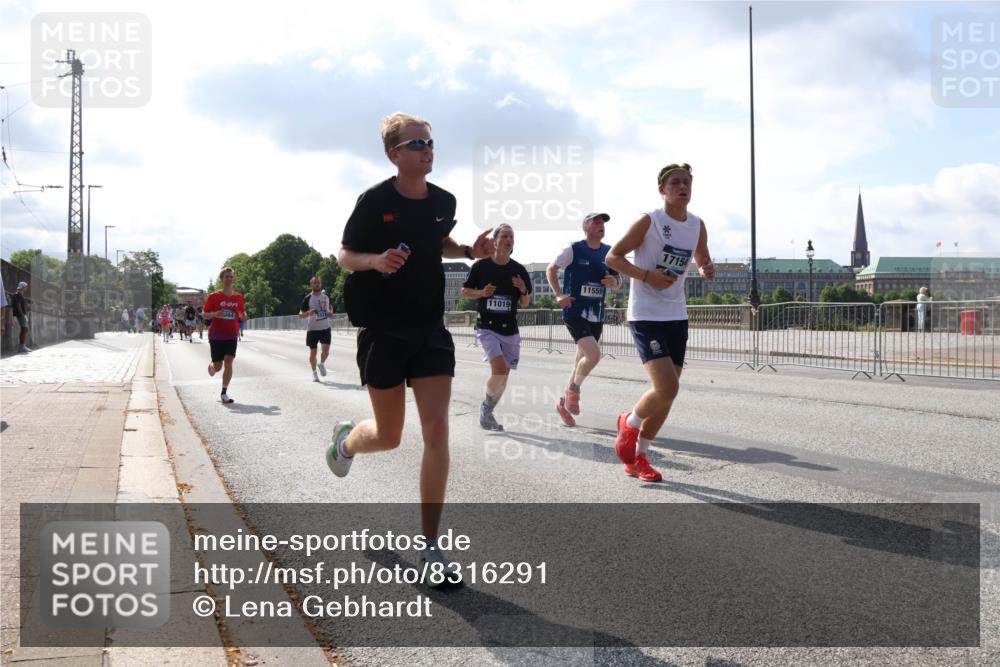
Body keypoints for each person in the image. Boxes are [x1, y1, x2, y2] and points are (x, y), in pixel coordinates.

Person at [328, 112, 493, 583]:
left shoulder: (443, 200)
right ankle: (345, 443)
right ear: (393, 154)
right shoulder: (374, 200)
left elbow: (438, 242)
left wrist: (469, 251)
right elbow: (344, 255)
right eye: (416, 143)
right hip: (382, 329)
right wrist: (375, 261)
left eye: (430, 142)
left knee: (437, 432)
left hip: (429, 328)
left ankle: (430, 548)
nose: (427, 149)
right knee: (389, 436)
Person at [605, 163, 715, 483]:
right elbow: (613, 257)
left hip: (676, 315)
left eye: (687, 182)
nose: (683, 187)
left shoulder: (696, 225)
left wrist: (706, 269)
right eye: (675, 182)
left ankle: (640, 456)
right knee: (666, 386)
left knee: (668, 393)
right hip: (646, 314)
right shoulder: (649, 221)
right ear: (662, 190)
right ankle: (629, 423)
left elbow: (701, 257)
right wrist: (646, 276)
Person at [547, 212, 621, 426]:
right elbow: (551, 269)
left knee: (580, 361)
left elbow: (618, 281)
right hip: (575, 311)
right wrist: (559, 294)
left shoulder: (609, 252)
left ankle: (563, 404)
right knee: (594, 355)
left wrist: (614, 282)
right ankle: (574, 391)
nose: (600, 225)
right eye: (595, 221)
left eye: (603, 222)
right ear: (585, 227)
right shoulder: (573, 249)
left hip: (596, 314)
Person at [461, 223, 531, 431]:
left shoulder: (519, 270)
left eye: (512, 237)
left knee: (504, 376)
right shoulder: (481, 266)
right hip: (487, 326)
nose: (509, 240)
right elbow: (466, 291)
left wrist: (523, 289)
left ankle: (488, 410)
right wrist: (482, 293)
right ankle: (486, 408)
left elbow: (525, 303)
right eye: (505, 236)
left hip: (510, 329)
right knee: (499, 370)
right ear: (495, 241)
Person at [202, 267, 246, 405]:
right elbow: (204, 314)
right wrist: (215, 314)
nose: (229, 279)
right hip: (216, 335)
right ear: (222, 279)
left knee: (229, 361)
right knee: (218, 366)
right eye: (227, 276)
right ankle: (212, 366)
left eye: (231, 276)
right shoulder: (213, 296)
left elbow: (242, 313)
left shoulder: (238, 297)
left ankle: (224, 392)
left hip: (231, 335)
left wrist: (244, 316)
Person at [299, 276, 333, 382]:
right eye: (315, 283)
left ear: (321, 284)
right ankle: (314, 372)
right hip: (312, 329)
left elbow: (330, 309)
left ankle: (321, 364)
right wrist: (308, 313)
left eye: (318, 282)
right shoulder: (307, 298)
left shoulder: (326, 297)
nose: (317, 284)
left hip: (325, 328)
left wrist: (330, 313)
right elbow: (300, 315)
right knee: (313, 353)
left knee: (326, 351)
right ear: (311, 285)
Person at [11, 281, 31, 353]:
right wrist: (23, 315)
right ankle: (21, 347)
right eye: (26, 287)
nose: (26, 288)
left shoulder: (20, 294)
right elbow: (18, 306)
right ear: (23, 287)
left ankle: (22, 346)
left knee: (25, 329)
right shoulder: (18, 294)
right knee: (24, 329)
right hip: (20, 315)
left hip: (21, 314)